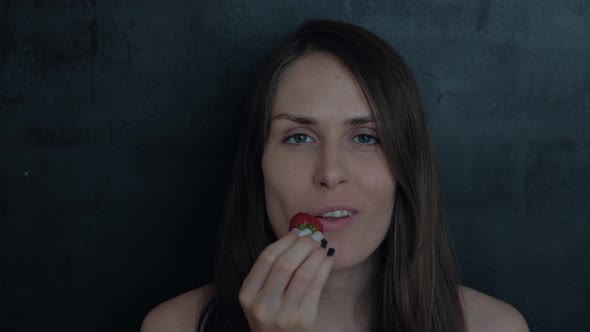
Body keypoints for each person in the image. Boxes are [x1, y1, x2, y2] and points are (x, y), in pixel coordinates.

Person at [141, 19, 529, 332]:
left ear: (406, 169)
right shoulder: (173, 326)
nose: (330, 173)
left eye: (365, 137)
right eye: (299, 137)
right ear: (257, 163)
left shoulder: (494, 327)